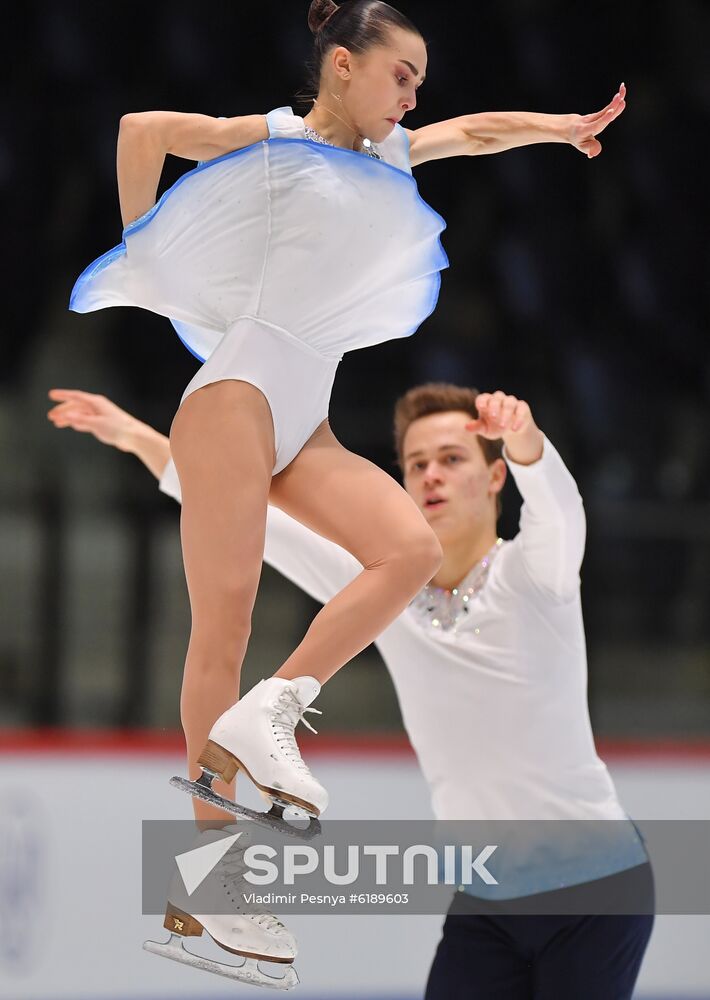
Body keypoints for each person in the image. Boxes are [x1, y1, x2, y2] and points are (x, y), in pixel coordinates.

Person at [48, 382, 653, 998]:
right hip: (487, 897)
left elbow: (561, 509)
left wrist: (525, 437)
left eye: (451, 458)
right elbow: (254, 519)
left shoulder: (534, 575)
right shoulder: (389, 591)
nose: (431, 476)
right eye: (417, 465)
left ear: (495, 475)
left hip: (595, 888)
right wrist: (137, 438)